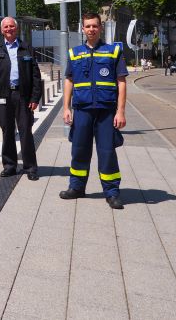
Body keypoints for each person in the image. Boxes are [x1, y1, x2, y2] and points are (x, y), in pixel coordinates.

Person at [60, 12, 128, 209]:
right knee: (79, 150)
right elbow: (69, 81)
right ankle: (77, 188)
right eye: (87, 26)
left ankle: (112, 192)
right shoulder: (74, 53)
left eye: (94, 26)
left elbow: (121, 82)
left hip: (106, 112)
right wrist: (66, 108)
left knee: (107, 152)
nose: (91, 29)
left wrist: (120, 111)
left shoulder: (112, 52)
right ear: (83, 29)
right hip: (82, 111)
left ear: (100, 27)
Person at [0, 17, 42, 180]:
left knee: (25, 131)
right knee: (7, 131)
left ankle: (30, 167)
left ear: (16, 29)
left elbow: (35, 75)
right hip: (3, 96)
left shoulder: (27, 48)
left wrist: (35, 97)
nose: (9, 29)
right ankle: (9, 166)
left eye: (12, 26)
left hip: (22, 95)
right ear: (2, 30)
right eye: (6, 27)